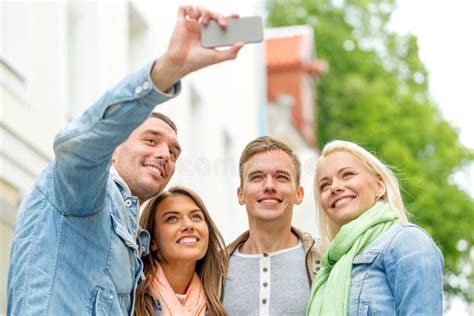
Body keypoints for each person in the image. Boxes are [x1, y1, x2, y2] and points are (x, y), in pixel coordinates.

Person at [7, 6, 243, 315]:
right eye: (150, 140)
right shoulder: (83, 191)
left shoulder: (132, 235)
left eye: (173, 152)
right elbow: (78, 145)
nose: (164, 155)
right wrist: (166, 71)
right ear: (113, 147)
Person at [307, 140, 444, 315]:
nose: (334, 187)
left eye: (347, 174)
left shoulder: (408, 242)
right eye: (324, 185)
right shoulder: (328, 267)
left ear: (379, 187)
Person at [222, 136, 323, 315]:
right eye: (257, 177)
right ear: (241, 194)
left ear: (299, 194)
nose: (269, 185)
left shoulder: (325, 260)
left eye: (281, 177)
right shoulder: (214, 268)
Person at [135, 186, 227, 316]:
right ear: (152, 241)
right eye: (172, 218)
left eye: (196, 217)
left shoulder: (223, 299)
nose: (188, 225)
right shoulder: (129, 299)